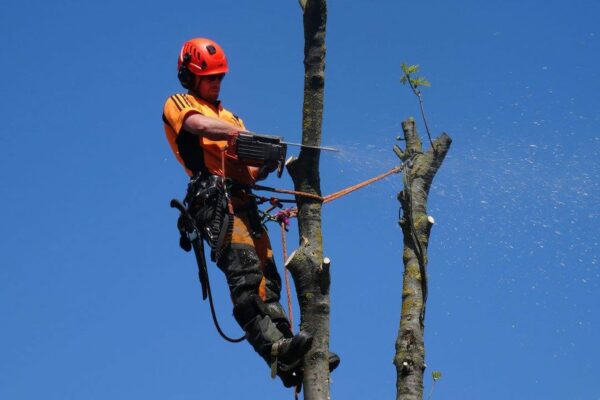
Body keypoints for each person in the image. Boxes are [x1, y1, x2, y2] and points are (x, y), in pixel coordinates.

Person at [162, 37, 315, 388]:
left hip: (243, 200)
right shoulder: (180, 103)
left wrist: (264, 160)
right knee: (244, 276)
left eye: (219, 78)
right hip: (212, 200)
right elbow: (197, 126)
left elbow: (246, 174)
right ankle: (273, 349)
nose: (215, 83)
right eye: (208, 78)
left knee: (267, 279)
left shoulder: (231, 116)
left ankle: (291, 348)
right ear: (190, 77)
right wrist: (243, 135)